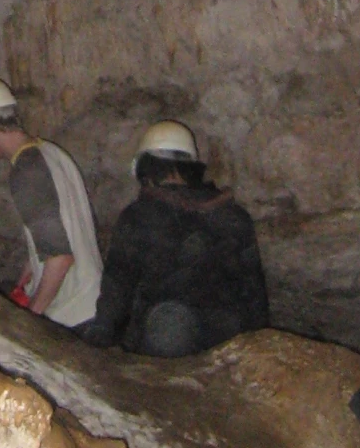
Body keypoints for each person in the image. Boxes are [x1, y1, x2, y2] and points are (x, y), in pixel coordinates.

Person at [82, 121, 268, 356]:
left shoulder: (138, 217)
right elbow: (254, 294)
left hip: (162, 345)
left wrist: (100, 337)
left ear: (144, 168)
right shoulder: (234, 216)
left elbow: (117, 289)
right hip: (224, 347)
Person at [0, 77, 102, 330]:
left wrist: (31, 319)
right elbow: (62, 227)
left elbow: (60, 257)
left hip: (73, 316)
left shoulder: (26, 171)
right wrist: (33, 264)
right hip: (95, 300)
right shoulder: (51, 152)